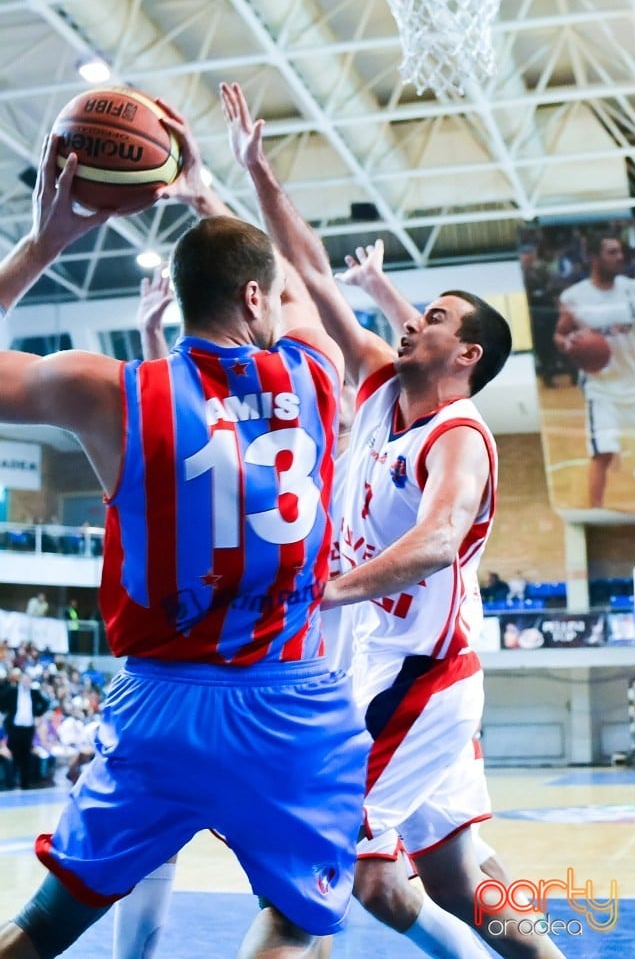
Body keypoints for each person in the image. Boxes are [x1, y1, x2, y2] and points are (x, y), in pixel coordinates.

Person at [0, 117, 369, 959]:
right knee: (295, 922)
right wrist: (208, 189)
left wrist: (43, 241)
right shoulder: (319, 374)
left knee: (50, 922)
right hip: (285, 700)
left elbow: (274, 285)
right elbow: (300, 286)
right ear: (253, 298)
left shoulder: (107, 391)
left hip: (159, 705)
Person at [220, 81, 565, 959]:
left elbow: (438, 542)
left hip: (422, 675)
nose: (415, 321)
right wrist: (259, 175)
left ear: (468, 354)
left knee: (331, 865)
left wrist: (320, 592)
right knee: (452, 877)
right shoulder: (377, 380)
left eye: (437, 318)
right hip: (378, 663)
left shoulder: (462, 436)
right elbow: (305, 265)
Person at [554, 230, 635, 508]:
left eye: (620, 252)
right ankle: (597, 514)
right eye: (611, 252)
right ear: (593, 257)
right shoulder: (574, 296)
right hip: (601, 389)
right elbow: (560, 334)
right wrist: (567, 344)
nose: (619, 257)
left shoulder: (633, 288)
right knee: (602, 454)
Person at [0, 667, 50, 790]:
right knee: (14, 754)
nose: (27, 682)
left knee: (26, 756)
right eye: (25, 679)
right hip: (14, 729)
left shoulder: (34, 693)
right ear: (21, 680)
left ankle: (25, 783)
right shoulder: (12, 691)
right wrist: (6, 711)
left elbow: (45, 703)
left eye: (29, 680)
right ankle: (12, 782)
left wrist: (37, 713)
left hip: (28, 729)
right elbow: (1, 701)